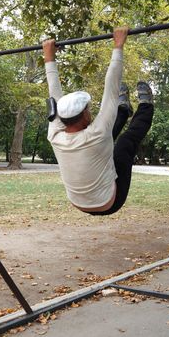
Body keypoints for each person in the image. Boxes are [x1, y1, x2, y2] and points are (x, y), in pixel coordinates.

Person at [43, 26, 154, 215]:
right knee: (125, 143)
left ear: (62, 117)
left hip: (79, 204)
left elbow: (54, 94)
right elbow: (111, 87)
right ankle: (146, 106)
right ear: (85, 115)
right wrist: (118, 45)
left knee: (103, 139)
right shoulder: (95, 132)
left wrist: (48, 58)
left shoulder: (54, 134)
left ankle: (123, 111)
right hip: (110, 202)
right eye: (89, 109)